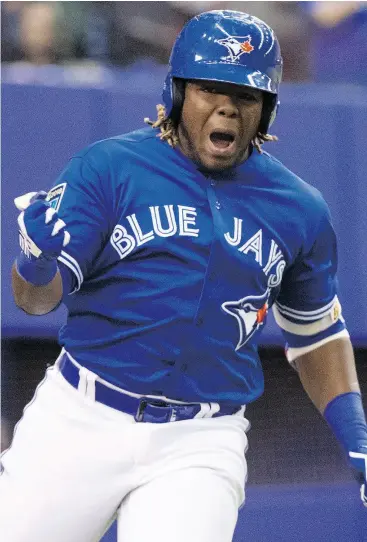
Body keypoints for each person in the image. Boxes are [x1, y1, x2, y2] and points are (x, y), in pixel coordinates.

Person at [1, 10, 366, 542]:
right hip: (81, 417)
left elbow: (315, 334)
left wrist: (354, 429)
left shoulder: (299, 209)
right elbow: (35, 301)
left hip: (200, 439)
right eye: (209, 88)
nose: (226, 106)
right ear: (177, 93)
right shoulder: (108, 168)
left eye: (245, 95)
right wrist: (34, 264)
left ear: (266, 109)